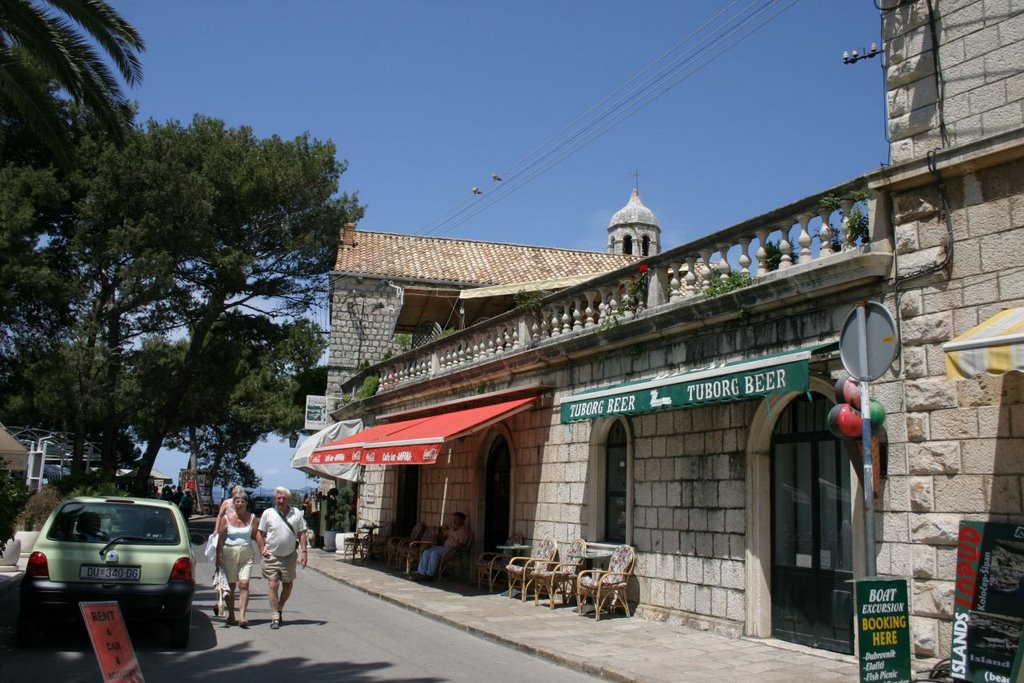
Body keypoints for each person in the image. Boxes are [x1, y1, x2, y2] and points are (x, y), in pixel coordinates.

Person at [256, 486, 308, 630]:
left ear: (288, 499)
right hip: (272, 555)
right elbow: (259, 533)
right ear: (275, 499)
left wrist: (304, 552)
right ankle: (274, 616)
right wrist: (262, 548)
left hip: (289, 556)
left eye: (284, 498)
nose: (281, 500)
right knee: (273, 584)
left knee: (288, 585)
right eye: (278, 498)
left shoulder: (296, 513)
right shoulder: (268, 513)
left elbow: (302, 533)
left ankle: (279, 607)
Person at [215, 492, 256, 628]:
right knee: (231, 586)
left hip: (246, 553)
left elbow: (257, 535)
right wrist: (218, 556)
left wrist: (264, 549)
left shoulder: (252, 518)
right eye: (237, 501)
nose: (239, 504)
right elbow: (220, 539)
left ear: (246, 503)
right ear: (234, 503)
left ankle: (242, 616)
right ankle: (231, 614)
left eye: (242, 502)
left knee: (244, 584)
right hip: (229, 552)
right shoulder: (226, 519)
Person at [411, 512, 469, 580]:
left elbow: (460, 545)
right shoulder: (453, 529)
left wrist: (452, 553)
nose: (454, 521)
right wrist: (438, 534)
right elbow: (445, 534)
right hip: (444, 547)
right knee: (426, 552)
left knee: (434, 554)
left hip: (451, 549)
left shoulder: (464, 532)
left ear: (462, 521)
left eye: (456, 519)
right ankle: (421, 573)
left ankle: (430, 574)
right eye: (453, 519)